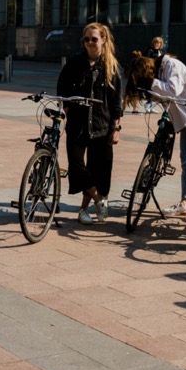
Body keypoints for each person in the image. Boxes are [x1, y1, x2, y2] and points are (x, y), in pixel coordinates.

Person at [124, 50, 186, 225]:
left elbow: (173, 90)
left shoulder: (171, 66)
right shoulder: (161, 71)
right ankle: (185, 202)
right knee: (185, 160)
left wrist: (151, 83)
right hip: (185, 116)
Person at [58, 22, 124, 225]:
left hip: (102, 125)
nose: (89, 42)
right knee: (77, 166)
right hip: (77, 125)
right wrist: (68, 109)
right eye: (86, 39)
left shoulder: (112, 67)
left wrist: (115, 128)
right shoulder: (75, 63)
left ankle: (83, 210)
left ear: (103, 39)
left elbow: (116, 102)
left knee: (99, 169)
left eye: (93, 39)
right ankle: (98, 200)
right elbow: (63, 88)